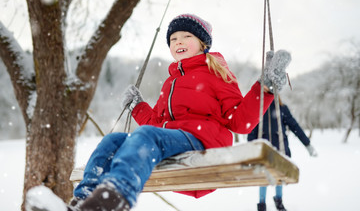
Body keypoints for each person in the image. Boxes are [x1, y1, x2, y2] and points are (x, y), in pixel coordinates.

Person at [63, 14, 291, 211]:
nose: (178, 41)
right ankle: (82, 202)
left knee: (146, 137)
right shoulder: (170, 83)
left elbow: (239, 121)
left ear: (202, 43)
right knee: (113, 141)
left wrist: (265, 89)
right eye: (173, 39)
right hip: (172, 143)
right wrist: (138, 107)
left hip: (203, 142)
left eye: (186, 36)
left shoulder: (216, 73)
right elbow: (156, 124)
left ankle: (113, 199)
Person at [247, 97, 318, 211]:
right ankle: (261, 204)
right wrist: (250, 152)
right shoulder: (259, 109)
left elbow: (295, 126)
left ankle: (279, 201)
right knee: (264, 178)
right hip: (263, 152)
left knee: (280, 176)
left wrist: (307, 144)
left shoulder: (281, 108)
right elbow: (252, 131)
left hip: (280, 150)